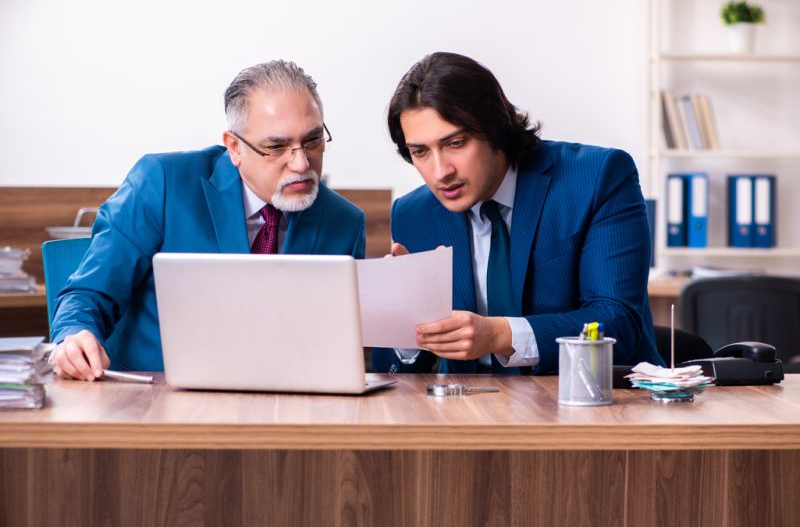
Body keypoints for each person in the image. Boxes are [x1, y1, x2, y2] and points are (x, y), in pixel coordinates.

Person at [51, 61, 366, 380]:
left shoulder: (345, 222)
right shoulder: (162, 183)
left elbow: (338, 344)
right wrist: (74, 335)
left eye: (312, 141)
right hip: (154, 400)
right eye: (276, 147)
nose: (301, 163)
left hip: (283, 403)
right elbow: (90, 292)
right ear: (235, 147)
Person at [373, 52, 664, 375]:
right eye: (420, 152)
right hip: (471, 415)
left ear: (495, 128)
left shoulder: (597, 178)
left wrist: (500, 335)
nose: (440, 171)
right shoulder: (413, 215)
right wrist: (406, 324)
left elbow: (617, 322)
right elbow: (395, 375)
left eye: (456, 143)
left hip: (593, 402)